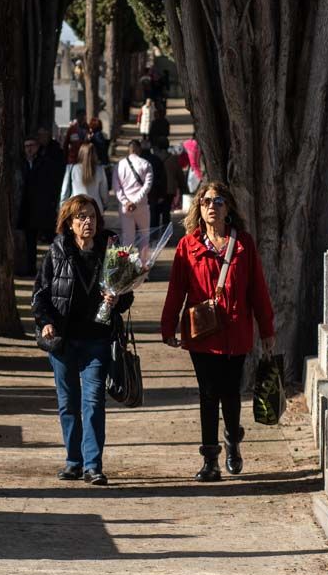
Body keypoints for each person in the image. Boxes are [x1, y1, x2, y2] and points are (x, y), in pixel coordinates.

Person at [160, 181, 275, 482]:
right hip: (202, 332)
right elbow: (176, 290)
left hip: (235, 330)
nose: (213, 206)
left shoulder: (243, 244)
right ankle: (210, 459)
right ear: (198, 208)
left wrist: (266, 329)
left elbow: (258, 291)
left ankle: (232, 441)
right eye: (206, 201)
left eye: (219, 201)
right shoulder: (188, 245)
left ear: (229, 208)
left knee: (231, 392)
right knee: (208, 393)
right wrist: (167, 325)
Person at [31, 194, 129, 485]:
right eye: (81, 217)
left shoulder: (113, 250)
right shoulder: (57, 251)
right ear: (69, 222)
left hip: (97, 339)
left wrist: (117, 298)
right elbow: (40, 294)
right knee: (68, 403)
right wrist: (46, 322)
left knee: (94, 401)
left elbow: (127, 296)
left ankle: (93, 465)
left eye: (92, 217)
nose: (88, 222)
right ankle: (73, 461)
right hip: (63, 341)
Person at [112, 138, 153, 248]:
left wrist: (126, 202)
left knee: (127, 238)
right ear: (139, 149)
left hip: (125, 207)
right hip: (142, 205)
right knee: (144, 237)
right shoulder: (146, 164)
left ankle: (127, 263)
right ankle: (143, 263)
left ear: (129, 150)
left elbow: (116, 188)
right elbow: (147, 186)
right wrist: (135, 201)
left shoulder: (119, 165)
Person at [14, 137, 44, 276]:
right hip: (21, 209)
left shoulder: (42, 163)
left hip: (35, 210)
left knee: (31, 242)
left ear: (37, 147)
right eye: (26, 146)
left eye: (32, 145)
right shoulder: (19, 164)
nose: (29, 148)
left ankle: (31, 268)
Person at [60, 141, 109, 209]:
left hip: (76, 207)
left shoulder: (71, 168)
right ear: (94, 154)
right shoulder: (100, 170)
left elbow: (64, 191)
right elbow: (104, 192)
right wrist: (105, 204)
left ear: (81, 153)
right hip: (95, 208)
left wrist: (62, 205)